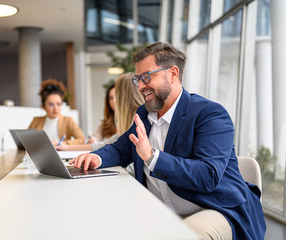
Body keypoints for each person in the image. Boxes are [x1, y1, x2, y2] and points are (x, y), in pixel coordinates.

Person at [70, 42, 266, 240]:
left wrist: (152, 157)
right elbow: (121, 149)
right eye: (137, 79)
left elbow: (207, 176)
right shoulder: (144, 114)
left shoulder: (210, 114)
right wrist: (95, 158)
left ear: (173, 74)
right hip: (162, 209)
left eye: (147, 77)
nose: (141, 86)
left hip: (215, 207)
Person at [56, 73, 144, 151]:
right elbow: (105, 144)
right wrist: (67, 148)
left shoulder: (138, 120)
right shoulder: (129, 120)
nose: (114, 100)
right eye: (111, 98)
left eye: (117, 95)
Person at [28, 79, 85, 145]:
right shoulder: (36, 121)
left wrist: (61, 144)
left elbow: (81, 139)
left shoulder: (68, 121)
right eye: (51, 105)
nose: (56, 109)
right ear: (43, 106)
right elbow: (26, 140)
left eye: (58, 104)